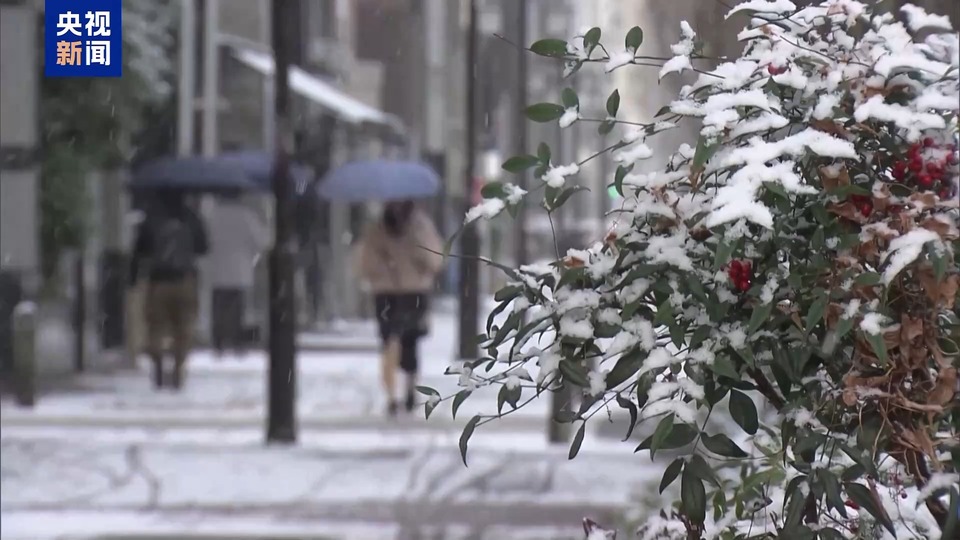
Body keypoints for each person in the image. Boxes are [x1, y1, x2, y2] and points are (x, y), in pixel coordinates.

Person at [355, 200, 443, 416]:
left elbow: (365, 265)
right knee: (401, 343)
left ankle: (398, 393)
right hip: (408, 291)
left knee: (394, 343)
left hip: (392, 293)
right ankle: (399, 393)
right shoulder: (417, 227)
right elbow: (435, 260)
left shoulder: (379, 229)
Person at [130, 192, 209, 389]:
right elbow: (204, 247)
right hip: (185, 281)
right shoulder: (191, 217)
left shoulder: (152, 218)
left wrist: (133, 277)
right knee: (184, 327)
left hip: (158, 281)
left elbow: (139, 250)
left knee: (155, 326)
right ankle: (178, 368)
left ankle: (157, 362)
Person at [205, 193, 270, 357]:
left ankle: (219, 341)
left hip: (217, 269)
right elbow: (261, 242)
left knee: (219, 308)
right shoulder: (246, 216)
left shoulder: (213, 216)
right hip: (240, 270)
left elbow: (205, 242)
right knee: (237, 309)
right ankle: (236, 341)